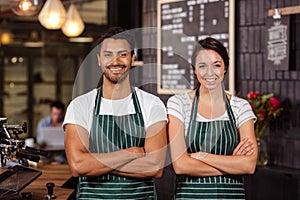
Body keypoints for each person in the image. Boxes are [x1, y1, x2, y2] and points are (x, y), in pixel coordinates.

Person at [63, 27, 167, 199]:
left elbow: (154, 166)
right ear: (99, 59)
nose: (115, 61)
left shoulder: (151, 104)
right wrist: (130, 153)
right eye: (108, 54)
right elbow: (78, 166)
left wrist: (95, 164)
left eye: (122, 54)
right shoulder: (80, 106)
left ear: (132, 59)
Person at [167, 37, 258, 199]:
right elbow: (180, 165)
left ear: (225, 68)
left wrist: (203, 156)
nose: (210, 73)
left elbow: (249, 165)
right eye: (202, 66)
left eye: (216, 65)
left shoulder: (240, 106)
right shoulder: (178, 104)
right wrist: (232, 164)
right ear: (194, 70)